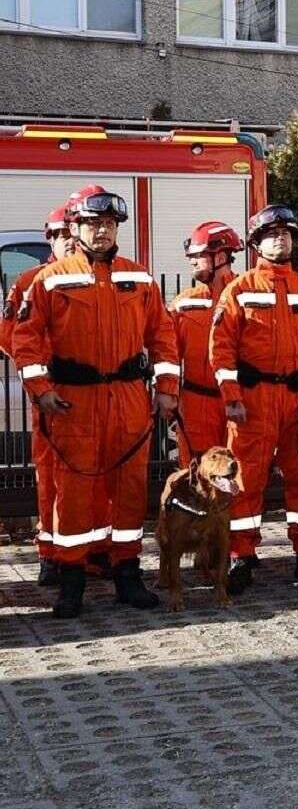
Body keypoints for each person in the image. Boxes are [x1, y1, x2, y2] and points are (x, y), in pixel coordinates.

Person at [12, 187, 179, 618]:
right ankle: (71, 582)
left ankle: (128, 574)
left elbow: (162, 336)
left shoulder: (138, 277)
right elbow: (24, 341)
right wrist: (41, 390)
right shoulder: (49, 279)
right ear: (75, 228)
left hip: (126, 397)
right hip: (73, 401)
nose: (101, 231)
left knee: (129, 489)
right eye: (92, 224)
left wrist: (166, 390)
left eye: (108, 224)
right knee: (75, 493)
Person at [210, 205, 298, 593]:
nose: (280, 239)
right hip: (253, 401)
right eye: (271, 234)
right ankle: (242, 557)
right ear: (256, 244)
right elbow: (221, 349)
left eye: (286, 233)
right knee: (244, 480)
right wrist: (232, 396)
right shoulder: (240, 289)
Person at [0, 204, 78, 586]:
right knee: (51, 477)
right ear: (51, 240)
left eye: (71, 234)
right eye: (61, 235)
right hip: (49, 396)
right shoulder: (31, 280)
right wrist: (40, 379)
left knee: (100, 477)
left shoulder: (98, 280)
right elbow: (10, 334)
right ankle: (51, 553)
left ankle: (95, 552)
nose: (68, 242)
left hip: (95, 393)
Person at [171, 222, 243, 470]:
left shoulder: (245, 296)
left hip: (239, 403)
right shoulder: (183, 304)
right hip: (195, 402)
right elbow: (168, 354)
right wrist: (167, 393)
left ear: (221, 256)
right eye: (191, 256)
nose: (191, 262)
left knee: (240, 471)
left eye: (198, 256)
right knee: (195, 474)